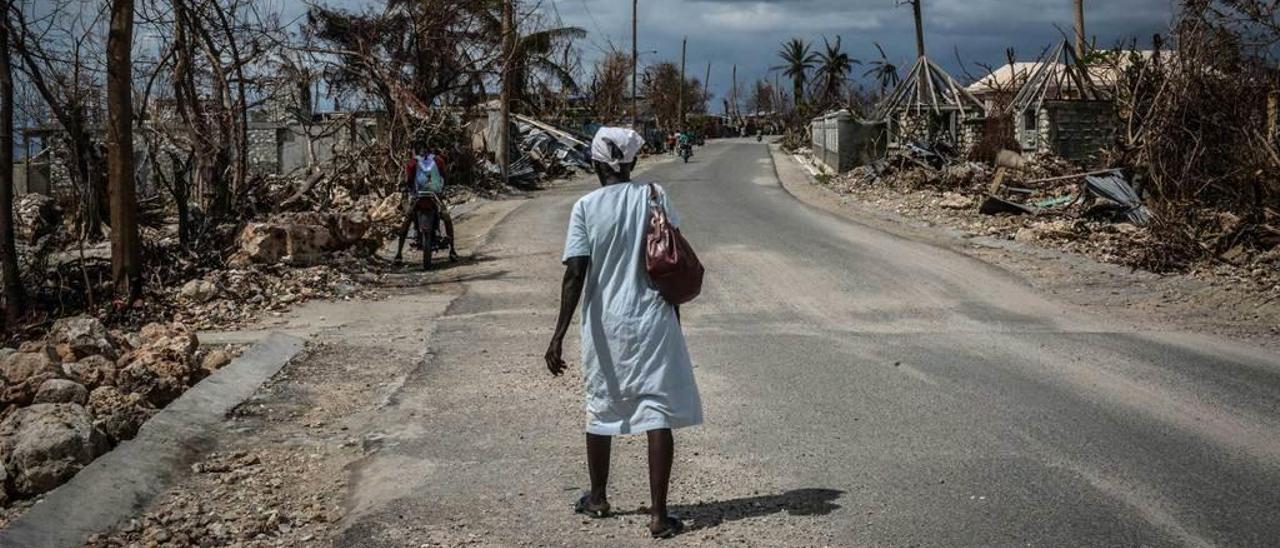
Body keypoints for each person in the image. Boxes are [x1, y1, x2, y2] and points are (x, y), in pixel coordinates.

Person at [545, 127, 702, 539]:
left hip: (605, 324)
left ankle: (598, 498)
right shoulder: (654, 195)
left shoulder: (585, 207)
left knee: (601, 408)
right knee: (658, 412)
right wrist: (676, 317)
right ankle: (659, 516)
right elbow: (670, 253)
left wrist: (558, 334)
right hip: (653, 317)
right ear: (631, 162)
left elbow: (575, 273)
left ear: (597, 163)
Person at [395, 144, 459, 265]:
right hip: (434, 196)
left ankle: (398, 254)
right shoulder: (438, 160)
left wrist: (411, 191)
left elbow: (409, 180)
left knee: (407, 220)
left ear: (416, 151)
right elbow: (444, 177)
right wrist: (441, 190)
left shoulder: (412, 162)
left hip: (418, 197)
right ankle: (453, 250)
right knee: (446, 218)